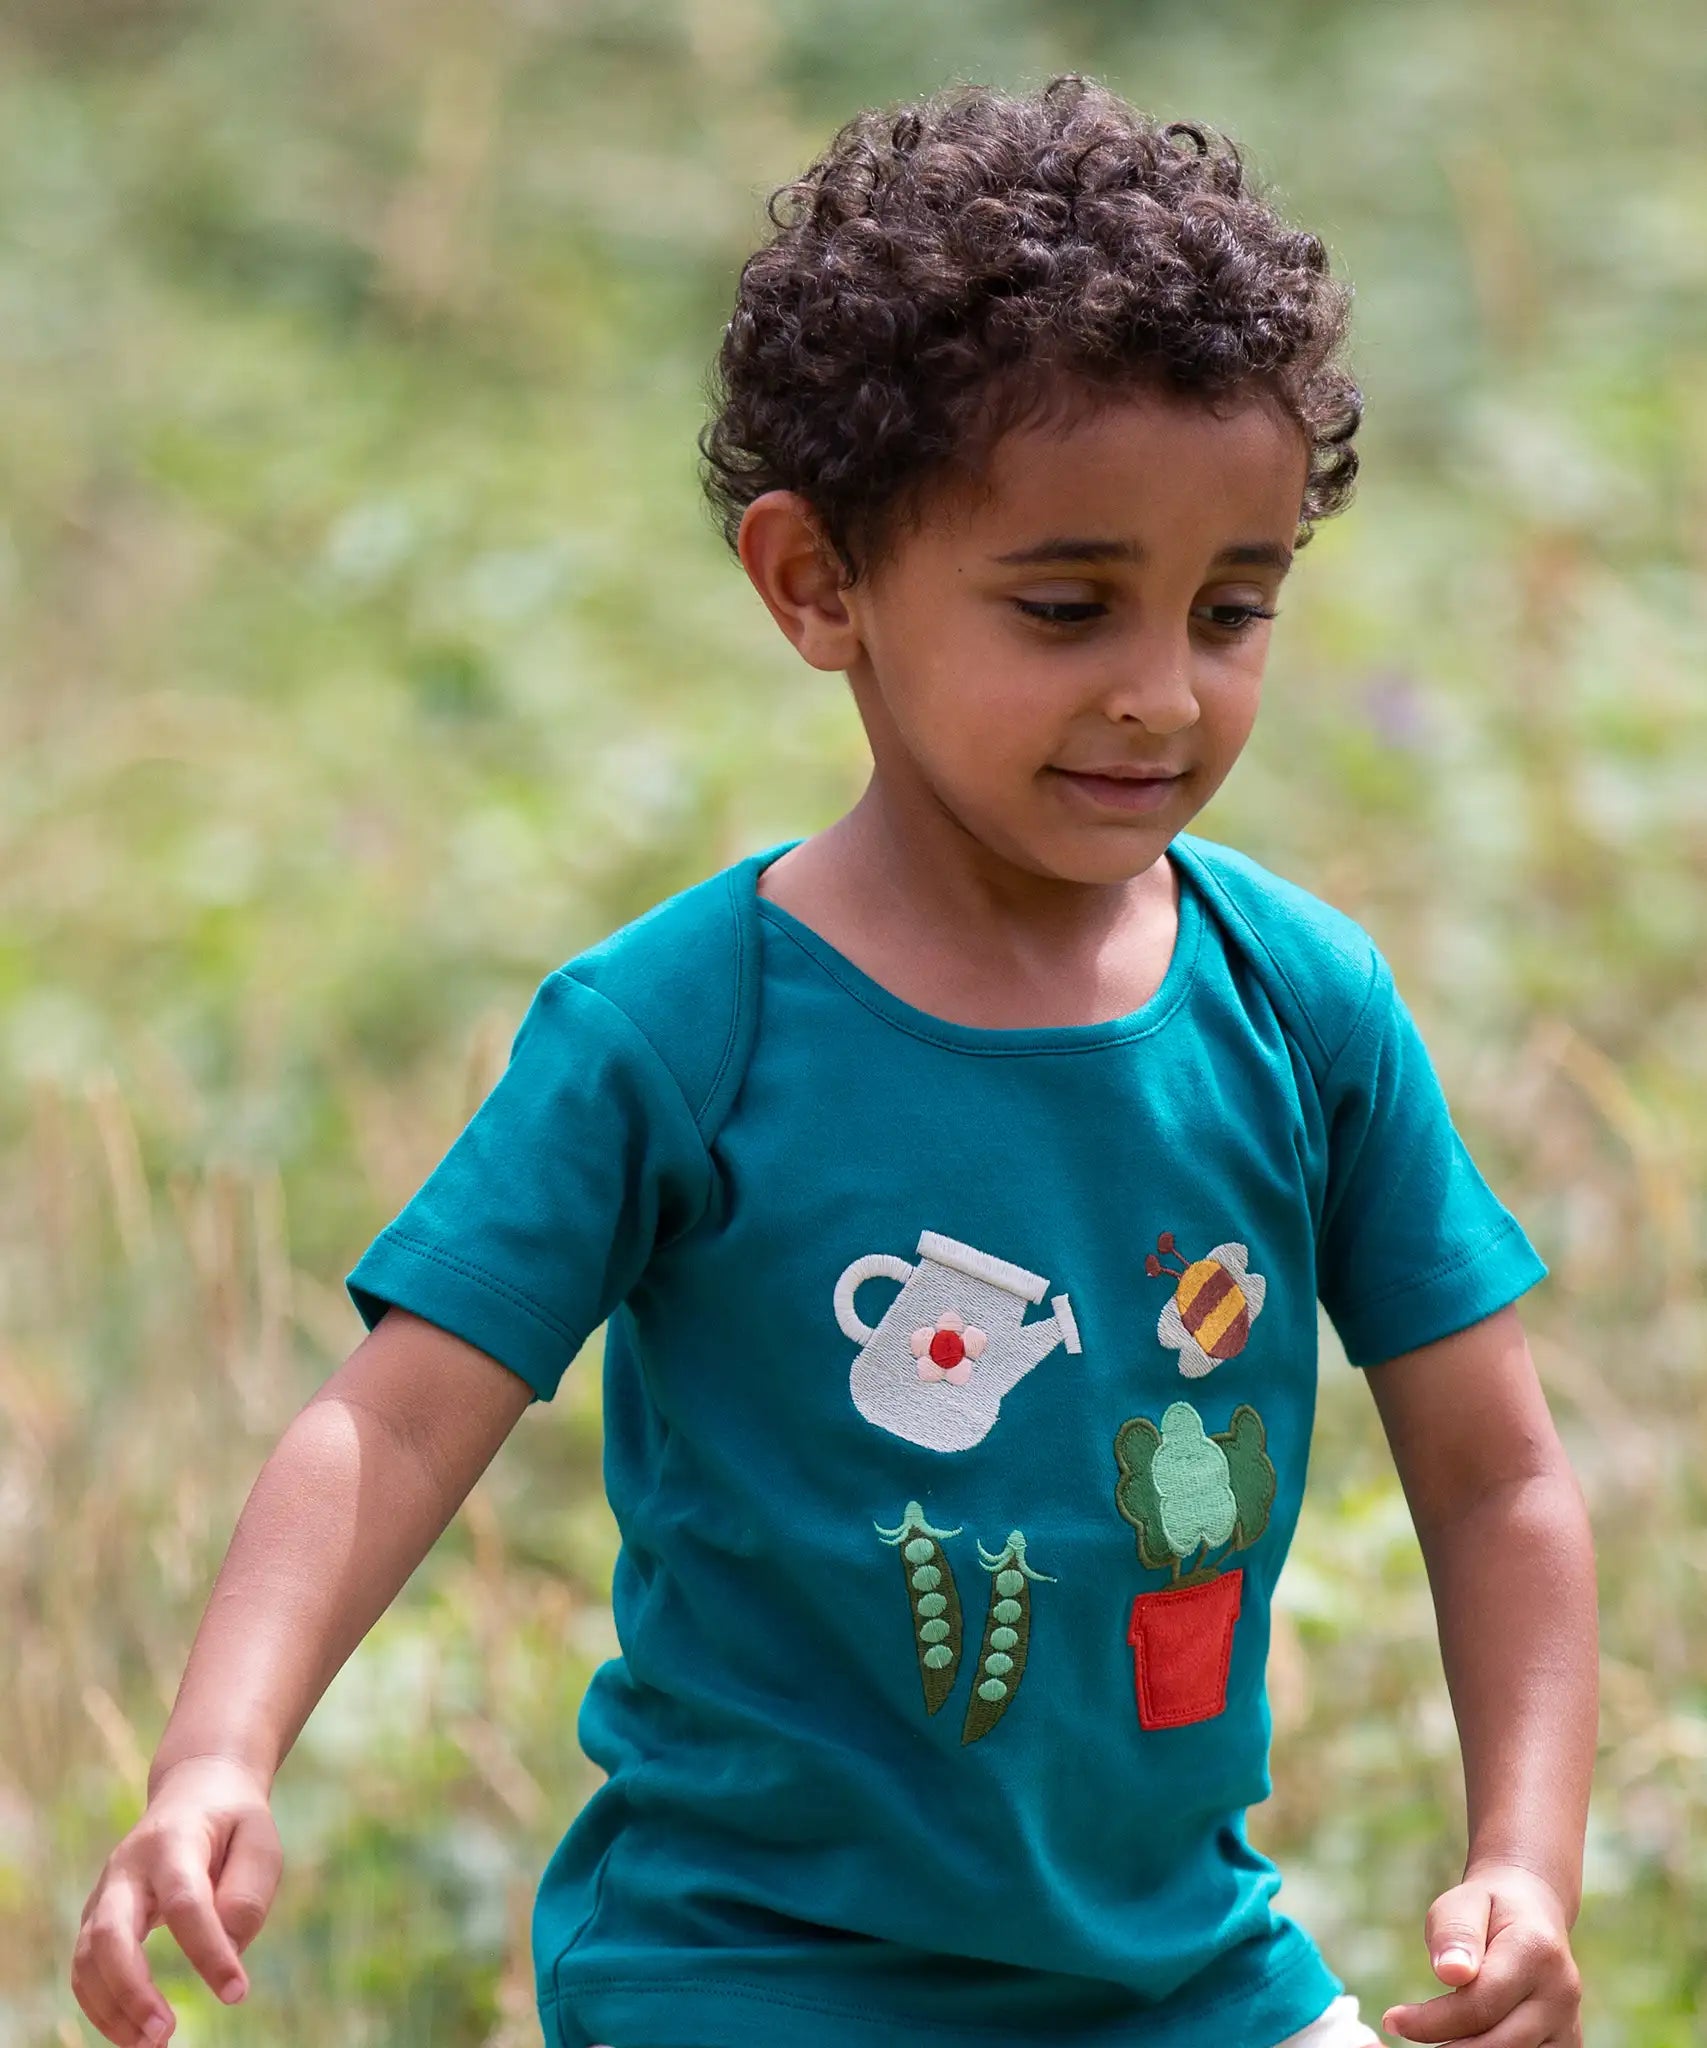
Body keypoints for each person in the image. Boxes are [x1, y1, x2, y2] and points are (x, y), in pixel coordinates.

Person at [71, 73, 1596, 2048]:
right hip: (749, 1978)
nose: (1157, 687)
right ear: (815, 584)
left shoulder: (1299, 1006)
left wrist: (1524, 1858)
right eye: (1064, 605)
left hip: (1182, 1972)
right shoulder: (674, 1030)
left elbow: (1496, 1478)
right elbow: (396, 1418)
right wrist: (216, 1753)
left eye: (1230, 608)